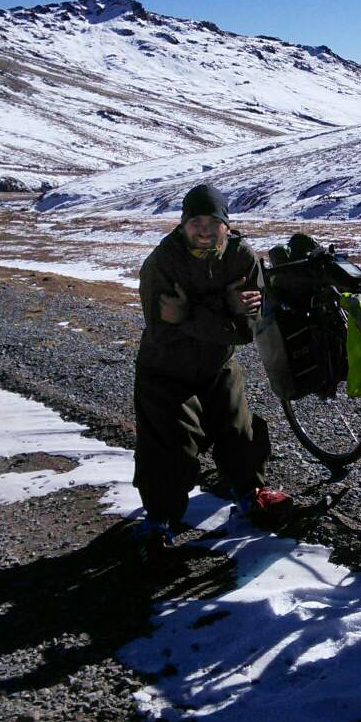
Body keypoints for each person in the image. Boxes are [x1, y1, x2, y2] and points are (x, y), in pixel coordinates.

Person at [133, 183, 292, 559]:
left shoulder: (241, 257)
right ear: (183, 224)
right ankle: (158, 521)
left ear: (226, 223)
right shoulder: (162, 262)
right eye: (195, 221)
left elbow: (244, 331)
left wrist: (189, 313)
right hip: (164, 369)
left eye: (213, 221)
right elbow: (162, 329)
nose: (204, 229)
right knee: (170, 443)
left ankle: (250, 495)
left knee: (239, 430)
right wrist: (224, 306)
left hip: (218, 363)